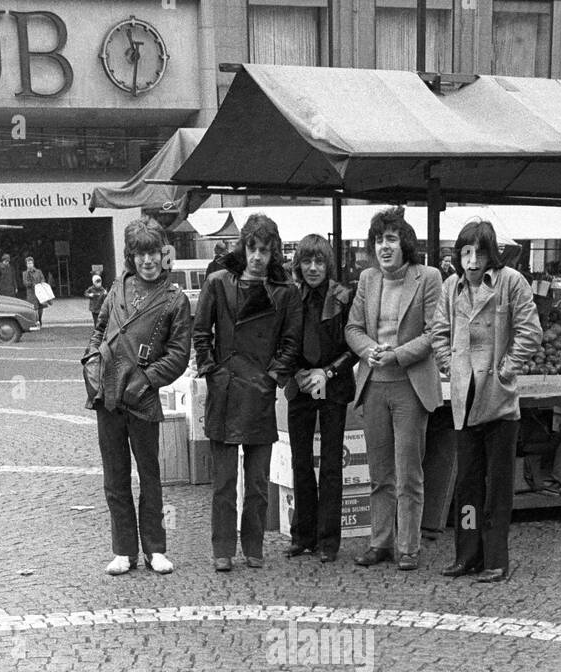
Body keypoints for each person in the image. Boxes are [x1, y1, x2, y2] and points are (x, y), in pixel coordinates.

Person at [430, 218, 542, 584]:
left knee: (497, 487)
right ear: (458, 255)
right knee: (468, 485)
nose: (472, 261)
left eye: (479, 253)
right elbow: (438, 332)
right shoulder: (451, 288)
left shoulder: (511, 282)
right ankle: (467, 555)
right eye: (465, 252)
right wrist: (450, 366)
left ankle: (496, 559)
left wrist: (507, 369)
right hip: (465, 398)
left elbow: (530, 331)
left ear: (490, 254)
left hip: (499, 400)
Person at [193, 213, 301, 573]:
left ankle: (253, 546)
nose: (257, 257)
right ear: (244, 246)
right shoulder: (218, 283)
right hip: (225, 390)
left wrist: (271, 378)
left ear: (274, 253)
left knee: (257, 482)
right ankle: (222, 547)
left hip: (259, 391)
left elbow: (290, 343)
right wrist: (211, 371)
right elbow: (201, 333)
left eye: (265, 251)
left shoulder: (285, 292)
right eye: (252, 248)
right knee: (223, 481)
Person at [83, 217, 191, 577]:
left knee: (150, 475)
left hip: (142, 397)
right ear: (131, 256)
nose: (147, 260)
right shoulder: (117, 288)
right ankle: (123, 550)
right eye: (139, 253)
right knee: (115, 476)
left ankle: (156, 549)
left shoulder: (175, 300)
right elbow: (99, 329)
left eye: (153, 252)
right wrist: (91, 362)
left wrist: (146, 379)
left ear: (164, 254)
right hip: (107, 394)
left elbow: (178, 354)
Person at [345, 206, 443, 571]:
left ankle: (409, 546)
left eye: (390, 239)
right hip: (373, 386)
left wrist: (397, 355)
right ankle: (380, 541)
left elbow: (436, 332)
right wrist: (369, 350)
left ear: (405, 243)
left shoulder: (427, 277)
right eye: (378, 240)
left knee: (408, 471)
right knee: (379, 472)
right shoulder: (368, 279)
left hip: (410, 386)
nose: (384, 246)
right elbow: (352, 328)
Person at [284, 233, 357, 563]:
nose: (313, 268)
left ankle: (329, 540)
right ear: (298, 265)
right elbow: (281, 341)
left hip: (333, 383)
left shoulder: (344, 296)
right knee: (300, 461)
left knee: (331, 464)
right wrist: (297, 373)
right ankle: (303, 535)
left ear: (328, 264)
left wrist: (327, 372)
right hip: (300, 383)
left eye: (319, 261)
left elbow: (353, 346)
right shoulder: (289, 296)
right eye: (307, 261)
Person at [22, 256, 47, 324]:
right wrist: (32, 284)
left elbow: (43, 279)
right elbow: (25, 283)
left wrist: (41, 283)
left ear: (33, 263)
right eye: (28, 263)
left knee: (41, 307)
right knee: (34, 308)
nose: (29, 265)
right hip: (31, 293)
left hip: (40, 292)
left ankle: (40, 319)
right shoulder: (25, 273)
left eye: (30, 263)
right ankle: (36, 321)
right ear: (26, 264)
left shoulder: (38, 271)